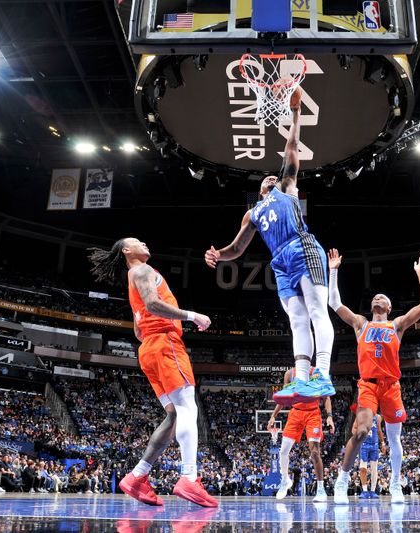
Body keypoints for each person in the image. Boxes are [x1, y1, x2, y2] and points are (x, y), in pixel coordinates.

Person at [204, 87, 335, 407]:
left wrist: (295, 113)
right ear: (260, 191)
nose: (268, 180)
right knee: (297, 320)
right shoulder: (252, 213)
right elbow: (238, 248)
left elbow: (292, 146)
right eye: (264, 180)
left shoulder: (287, 188)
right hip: (280, 262)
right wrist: (219, 254)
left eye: (270, 178)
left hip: (302, 247)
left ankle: (325, 375)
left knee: (317, 308)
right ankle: (303, 381)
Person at [89, 238, 217, 507]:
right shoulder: (144, 271)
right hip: (165, 342)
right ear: (127, 250)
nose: (145, 243)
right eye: (138, 241)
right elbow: (153, 304)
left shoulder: (131, 277)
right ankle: (189, 478)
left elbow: (137, 329)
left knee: (172, 416)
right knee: (187, 409)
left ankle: (137, 477)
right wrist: (193, 316)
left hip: (148, 348)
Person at [328, 249, 420, 504]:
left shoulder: (396, 325)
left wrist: (419, 273)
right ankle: (342, 480)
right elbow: (334, 303)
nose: (377, 298)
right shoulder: (361, 323)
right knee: (362, 431)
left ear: (389, 307)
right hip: (368, 386)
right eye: (375, 296)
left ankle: (395, 483)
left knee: (395, 439)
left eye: (382, 297)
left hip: (391, 387)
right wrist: (333, 271)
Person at [267, 366, 335, 502]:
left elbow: (326, 396)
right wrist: (273, 416)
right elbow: (284, 397)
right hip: (295, 413)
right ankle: (285, 479)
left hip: (313, 413)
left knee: (315, 452)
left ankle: (321, 489)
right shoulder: (290, 373)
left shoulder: (317, 372)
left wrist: (329, 416)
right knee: (283, 451)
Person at [349, 404, 385, 499]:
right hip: (364, 445)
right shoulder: (360, 416)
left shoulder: (377, 417)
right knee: (363, 468)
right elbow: (353, 430)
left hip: (374, 445)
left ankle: (373, 491)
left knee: (374, 469)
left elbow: (379, 431)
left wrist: (383, 443)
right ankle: (365, 491)